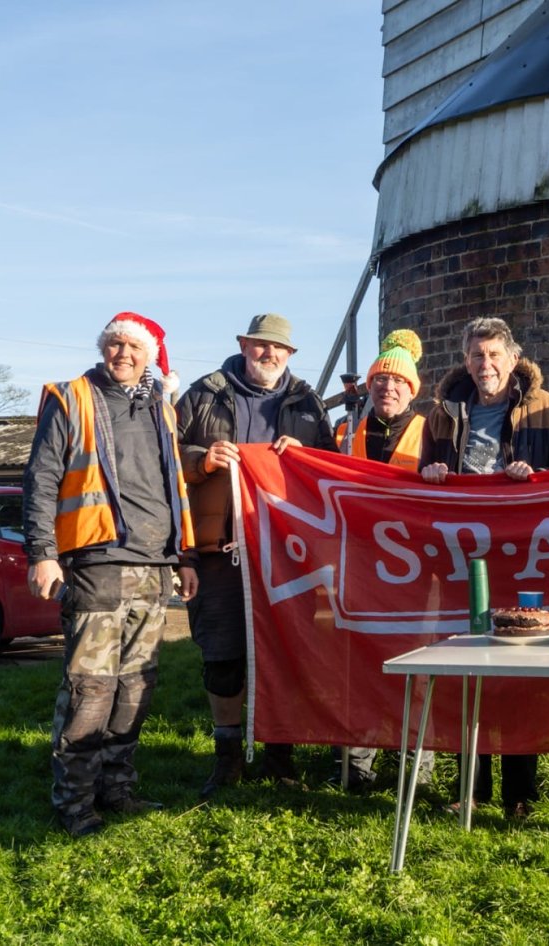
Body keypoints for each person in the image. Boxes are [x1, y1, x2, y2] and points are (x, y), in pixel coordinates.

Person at [23, 312, 198, 838]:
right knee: (90, 688)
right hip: (96, 563)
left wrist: (184, 558)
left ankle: (116, 789)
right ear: (103, 349)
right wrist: (42, 552)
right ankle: (74, 802)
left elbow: (173, 488)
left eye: (133, 347)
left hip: (154, 566)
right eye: (115, 344)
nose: (123, 353)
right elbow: (42, 478)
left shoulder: (161, 410)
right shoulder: (71, 397)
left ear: (150, 356)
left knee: (136, 686)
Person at [420, 317, 549, 819]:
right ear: (465, 361)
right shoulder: (440, 415)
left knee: (518, 674)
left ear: (513, 358)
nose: (484, 365)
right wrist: (432, 474)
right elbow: (423, 486)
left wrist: (533, 479)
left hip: (524, 560)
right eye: (475, 356)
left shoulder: (548, 411)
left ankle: (519, 794)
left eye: (493, 355)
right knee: (466, 672)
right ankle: (470, 788)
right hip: (463, 562)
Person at [176, 313, 336, 795]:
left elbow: (332, 473)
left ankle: (279, 756)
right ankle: (227, 758)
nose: (269, 355)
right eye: (260, 346)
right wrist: (201, 460)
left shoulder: (308, 403)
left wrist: (305, 457)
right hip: (220, 550)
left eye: (278, 349)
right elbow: (164, 458)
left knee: (284, 653)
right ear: (244, 345)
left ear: (290, 355)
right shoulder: (204, 394)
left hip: (286, 553)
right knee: (223, 655)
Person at [333, 329, 434, 791]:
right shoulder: (345, 430)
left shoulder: (431, 431)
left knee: (418, 664)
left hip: (416, 571)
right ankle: (357, 767)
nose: (387, 388)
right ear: (369, 385)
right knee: (359, 665)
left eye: (397, 382)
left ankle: (417, 770)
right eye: (379, 380)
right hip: (358, 566)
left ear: (412, 389)